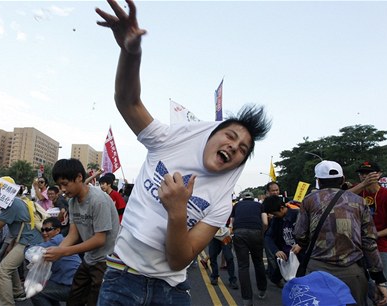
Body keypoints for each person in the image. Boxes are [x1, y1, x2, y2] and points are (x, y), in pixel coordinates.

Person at [95, 1, 271, 304]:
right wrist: (130, 52)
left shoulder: (219, 203)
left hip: (172, 291)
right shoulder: (166, 140)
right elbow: (128, 101)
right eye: (229, 136)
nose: (233, 146)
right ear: (209, 135)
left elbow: (179, 260)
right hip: (122, 279)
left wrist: (177, 212)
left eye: (242, 149)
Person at [293, 160, 387, 305]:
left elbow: (300, 235)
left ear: (318, 180)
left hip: (317, 271)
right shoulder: (359, 201)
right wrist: (379, 280)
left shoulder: (308, 201)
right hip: (352, 273)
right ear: (343, 179)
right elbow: (369, 242)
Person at [45, 158, 119, 306]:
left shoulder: (98, 200)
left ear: (79, 177)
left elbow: (100, 239)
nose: (63, 189)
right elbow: (74, 233)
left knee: (94, 300)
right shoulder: (72, 202)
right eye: (60, 185)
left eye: (65, 184)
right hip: (89, 258)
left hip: (106, 261)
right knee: (75, 297)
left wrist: (63, 253)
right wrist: (56, 251)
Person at [0, 176, 43, 306]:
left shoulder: (11, 205)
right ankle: (18, 292)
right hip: (28, 239)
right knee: (8, 266)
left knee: (1, 272)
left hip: (28, 242)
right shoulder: (18, 201)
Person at [350, 161, 387, 306]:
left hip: (382, 248)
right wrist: (361, 186)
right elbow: (338, 198)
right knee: (368, 286)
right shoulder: (357, 192)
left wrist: (375, 234)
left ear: (379, 174)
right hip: (358, 248)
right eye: (361, 173)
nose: (364, 176)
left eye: (368, 173)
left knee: (386, 288)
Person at [30, 217, 81, 306]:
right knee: (46, 289)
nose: (44, 233)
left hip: (72, 287)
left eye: (48, 230)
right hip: (74, 283)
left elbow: (30, 250)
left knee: (35, 292)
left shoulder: (56, 241)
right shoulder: (62, 240)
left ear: (57, 230)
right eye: (42, 230)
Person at [231, 191, 268, 306]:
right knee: (258, 262)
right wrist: (261, 233)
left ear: (242, 198)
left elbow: (232, 223)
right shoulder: (259, 205)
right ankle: (262, 290)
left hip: (239, 233)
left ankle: (247, 300)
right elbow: (265, 222)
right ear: (253, 198)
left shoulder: (236, 205)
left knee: (243, 266)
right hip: (256, 232)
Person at [263, 195, 303, 289]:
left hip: (300, 255)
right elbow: (268, 236)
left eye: (275, 214)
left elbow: (310, 233)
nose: (273, 216)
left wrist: (301, 244)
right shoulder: (276, 220)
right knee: (279, 276)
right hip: (285, 255)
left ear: (281, 208)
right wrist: (276, 250)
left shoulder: (298, 215)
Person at [207, 219, 238, 290]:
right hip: (214, 234)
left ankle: (232, 279)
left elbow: (233, 218)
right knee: (212, 255)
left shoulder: (231, 208)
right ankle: (214, 276)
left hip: (226, 235)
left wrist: (232, 228)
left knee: (229, 257)